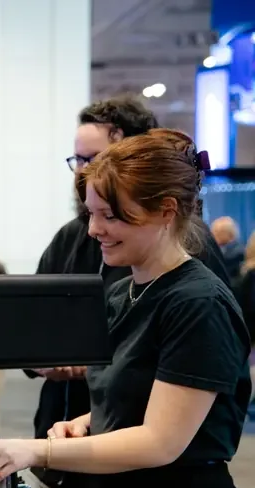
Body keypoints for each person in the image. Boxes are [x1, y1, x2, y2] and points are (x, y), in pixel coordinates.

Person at [0, 129, 255, 488]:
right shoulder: (126, 293)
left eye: (111, 216)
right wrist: (87, 421)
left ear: (166, 211)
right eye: (92, 213)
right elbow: (137, 397)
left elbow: (162, 440)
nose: (94, 229)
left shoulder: (197, 304)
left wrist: (36, 452)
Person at [29, 96, 232, 442]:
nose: (83, 170)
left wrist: (40, 452)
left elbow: (160, 434)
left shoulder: (197, 290)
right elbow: (30, 320)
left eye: (94, 159)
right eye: (77, 160)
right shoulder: (81, 247)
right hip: (79, 437)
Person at [210, 216, 244, 281]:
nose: (213, 235)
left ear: (229, 233)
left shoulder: (238, 252)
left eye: (217, 232)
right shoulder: (215, 249)